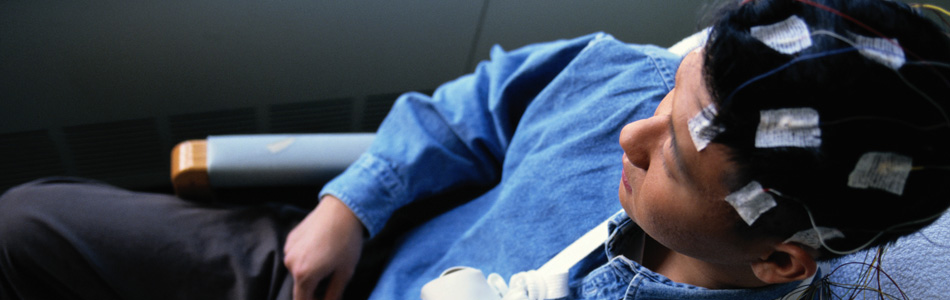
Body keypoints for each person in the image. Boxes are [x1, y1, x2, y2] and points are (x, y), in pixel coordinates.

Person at [1, 0, 948, 299]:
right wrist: (350, 206)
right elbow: (471, 111)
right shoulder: (624, 82)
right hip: (338, 266)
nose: (634, 130)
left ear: (779, 257)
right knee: (27, 223)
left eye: (674, 159)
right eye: (673, 94)